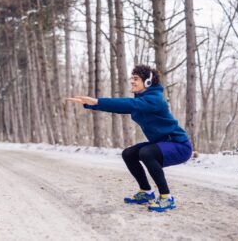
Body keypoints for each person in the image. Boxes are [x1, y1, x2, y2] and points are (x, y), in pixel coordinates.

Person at [66, 65, 192, 212]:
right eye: (132, 78)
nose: (132, 81)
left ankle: (166, 197)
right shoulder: (142, 101)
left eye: (136, 79)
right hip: (162, 144)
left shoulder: (155, 100)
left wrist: (97, 101)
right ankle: (146, 193)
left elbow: (129, 104)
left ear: (148, 82)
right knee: (129, 153)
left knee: (146, 152)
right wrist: (92, 104)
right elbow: (120, 107)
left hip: (179, 145)